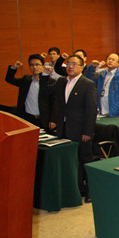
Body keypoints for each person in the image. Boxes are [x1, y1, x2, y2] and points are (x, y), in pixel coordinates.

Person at [45, 54, 97, 203]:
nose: (70, 66)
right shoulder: (62, 81)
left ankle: (91, 190)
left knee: (85, 159)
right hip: (64, 128)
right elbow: (48, 94)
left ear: (82, 67)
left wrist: (88, 131)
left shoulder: (87, 84)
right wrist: (44, 76)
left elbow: (91, 110)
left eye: (74, 64)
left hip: (81, 129)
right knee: (72, 161)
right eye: (68, 64)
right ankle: (78, 188)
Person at [5, 54, 56, 129]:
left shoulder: (51, 82)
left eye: (37, 64)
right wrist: (14, 68)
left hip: (43, 120)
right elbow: (9, 79)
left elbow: (55, 103)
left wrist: (53, 120)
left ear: (43, 66)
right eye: (32, 65)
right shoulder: (26, 80)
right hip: (27, 118)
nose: (34, 67)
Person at [86, 53, 119, 118]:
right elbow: (89, 79)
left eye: (113, 60)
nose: (110, 61)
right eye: (109, 59)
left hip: (114, 111)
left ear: (118, 63)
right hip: (100, 110)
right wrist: (92, 67)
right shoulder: (101, 74)